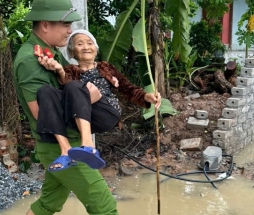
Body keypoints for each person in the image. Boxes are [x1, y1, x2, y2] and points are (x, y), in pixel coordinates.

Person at [6, 0, 158, 215]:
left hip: (65, 144)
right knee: (103, 202)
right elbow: (42, 113)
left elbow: (98, 88)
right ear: (45, 25)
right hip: (62, 145)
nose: (69, 31)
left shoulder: (49, 53)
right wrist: (89, 98)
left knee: (50, 201)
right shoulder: (30, 60)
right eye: (65, 25)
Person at [35, 29, 161, 172]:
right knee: (45, 91)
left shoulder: (105, 67)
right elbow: (67, 90)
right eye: (80, 44)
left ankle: (88, 145)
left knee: (75, 86)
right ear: (71, 52)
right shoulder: (70, 71)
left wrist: (146, 96)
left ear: (96, 49)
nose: (86, 47)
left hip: (106, 113)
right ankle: (66, 151)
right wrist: (60, 71)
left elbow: (127, 88)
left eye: (89, 43)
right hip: (80, 115)